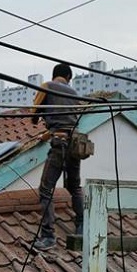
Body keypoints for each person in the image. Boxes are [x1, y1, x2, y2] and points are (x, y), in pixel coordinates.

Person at [31, 63, 85, 251]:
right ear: (69, 76)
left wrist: (40, 117)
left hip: (59, 145)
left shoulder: (47, 86)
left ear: (55, 75)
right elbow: (68, 122)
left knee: (46, 189)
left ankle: (48, 236)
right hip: (75, 144)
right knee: (75, 187)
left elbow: (33, 114)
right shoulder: (75, 94)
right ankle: (81, 227)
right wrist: (46, 135)